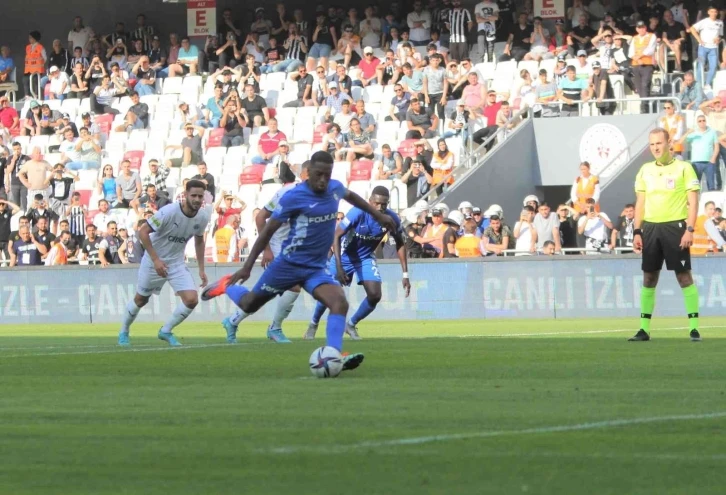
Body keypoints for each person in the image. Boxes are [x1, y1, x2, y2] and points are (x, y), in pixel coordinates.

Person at [200, 151, 397, 371]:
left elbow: (352, 197)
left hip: (314, 267)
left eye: (327, 174)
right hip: (288, 265)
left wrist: (378, 215)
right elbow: (267, 230)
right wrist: (247, 266)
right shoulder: (293, 197)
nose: (323, 180)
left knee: (339, 302)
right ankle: (227, 285)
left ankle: (334, 355)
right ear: (309, 173)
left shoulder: (334, 188)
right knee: (249, 304)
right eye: (319, 174)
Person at [217, 162, 312, 343]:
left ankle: (233, 318)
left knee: (266, 292)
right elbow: (260, 217)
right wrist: (267, 249)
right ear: (305, 174)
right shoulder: (287, 192)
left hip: (296, 249)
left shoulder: (318, 196)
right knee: (293, 287)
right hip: (278, 246)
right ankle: (274, 328)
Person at [306, 186, 410, 339]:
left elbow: (401, 243)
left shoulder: (391, 218)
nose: (380, 207)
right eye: (377, 203)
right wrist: (339, 267)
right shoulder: (358, 213)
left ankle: (351, 325)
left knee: (375, 295)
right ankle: (313, 324)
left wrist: (405, 274)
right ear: (370, 201)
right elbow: (336, 235)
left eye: (384, 204)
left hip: (365, 258)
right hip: (344, 256)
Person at [118, 180, 212, 347]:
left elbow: (199, 241)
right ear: (185, 195)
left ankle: (166, 331)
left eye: (200, 196)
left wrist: (201, 269)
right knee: (141, 300)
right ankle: (124, 330)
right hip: (153, 260)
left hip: (175, 262)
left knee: (191, 299)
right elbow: (143, 232)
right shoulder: (169, 211)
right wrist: (155, 260)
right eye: (194, 195)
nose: (197, 199)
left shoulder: (203, 216)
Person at [629, 128, 701, 342]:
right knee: (649, 277)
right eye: (652, 144)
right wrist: (637, 231)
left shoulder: (684, 168)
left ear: (670, 143)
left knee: (683, 276)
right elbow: (640, 204)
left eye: (659, 143)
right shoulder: (645, 170)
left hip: (675, 228)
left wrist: (689, 228)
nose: (656, 148)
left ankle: (694, 328)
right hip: (650, 228)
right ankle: (644, 329)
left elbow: (694, 201)